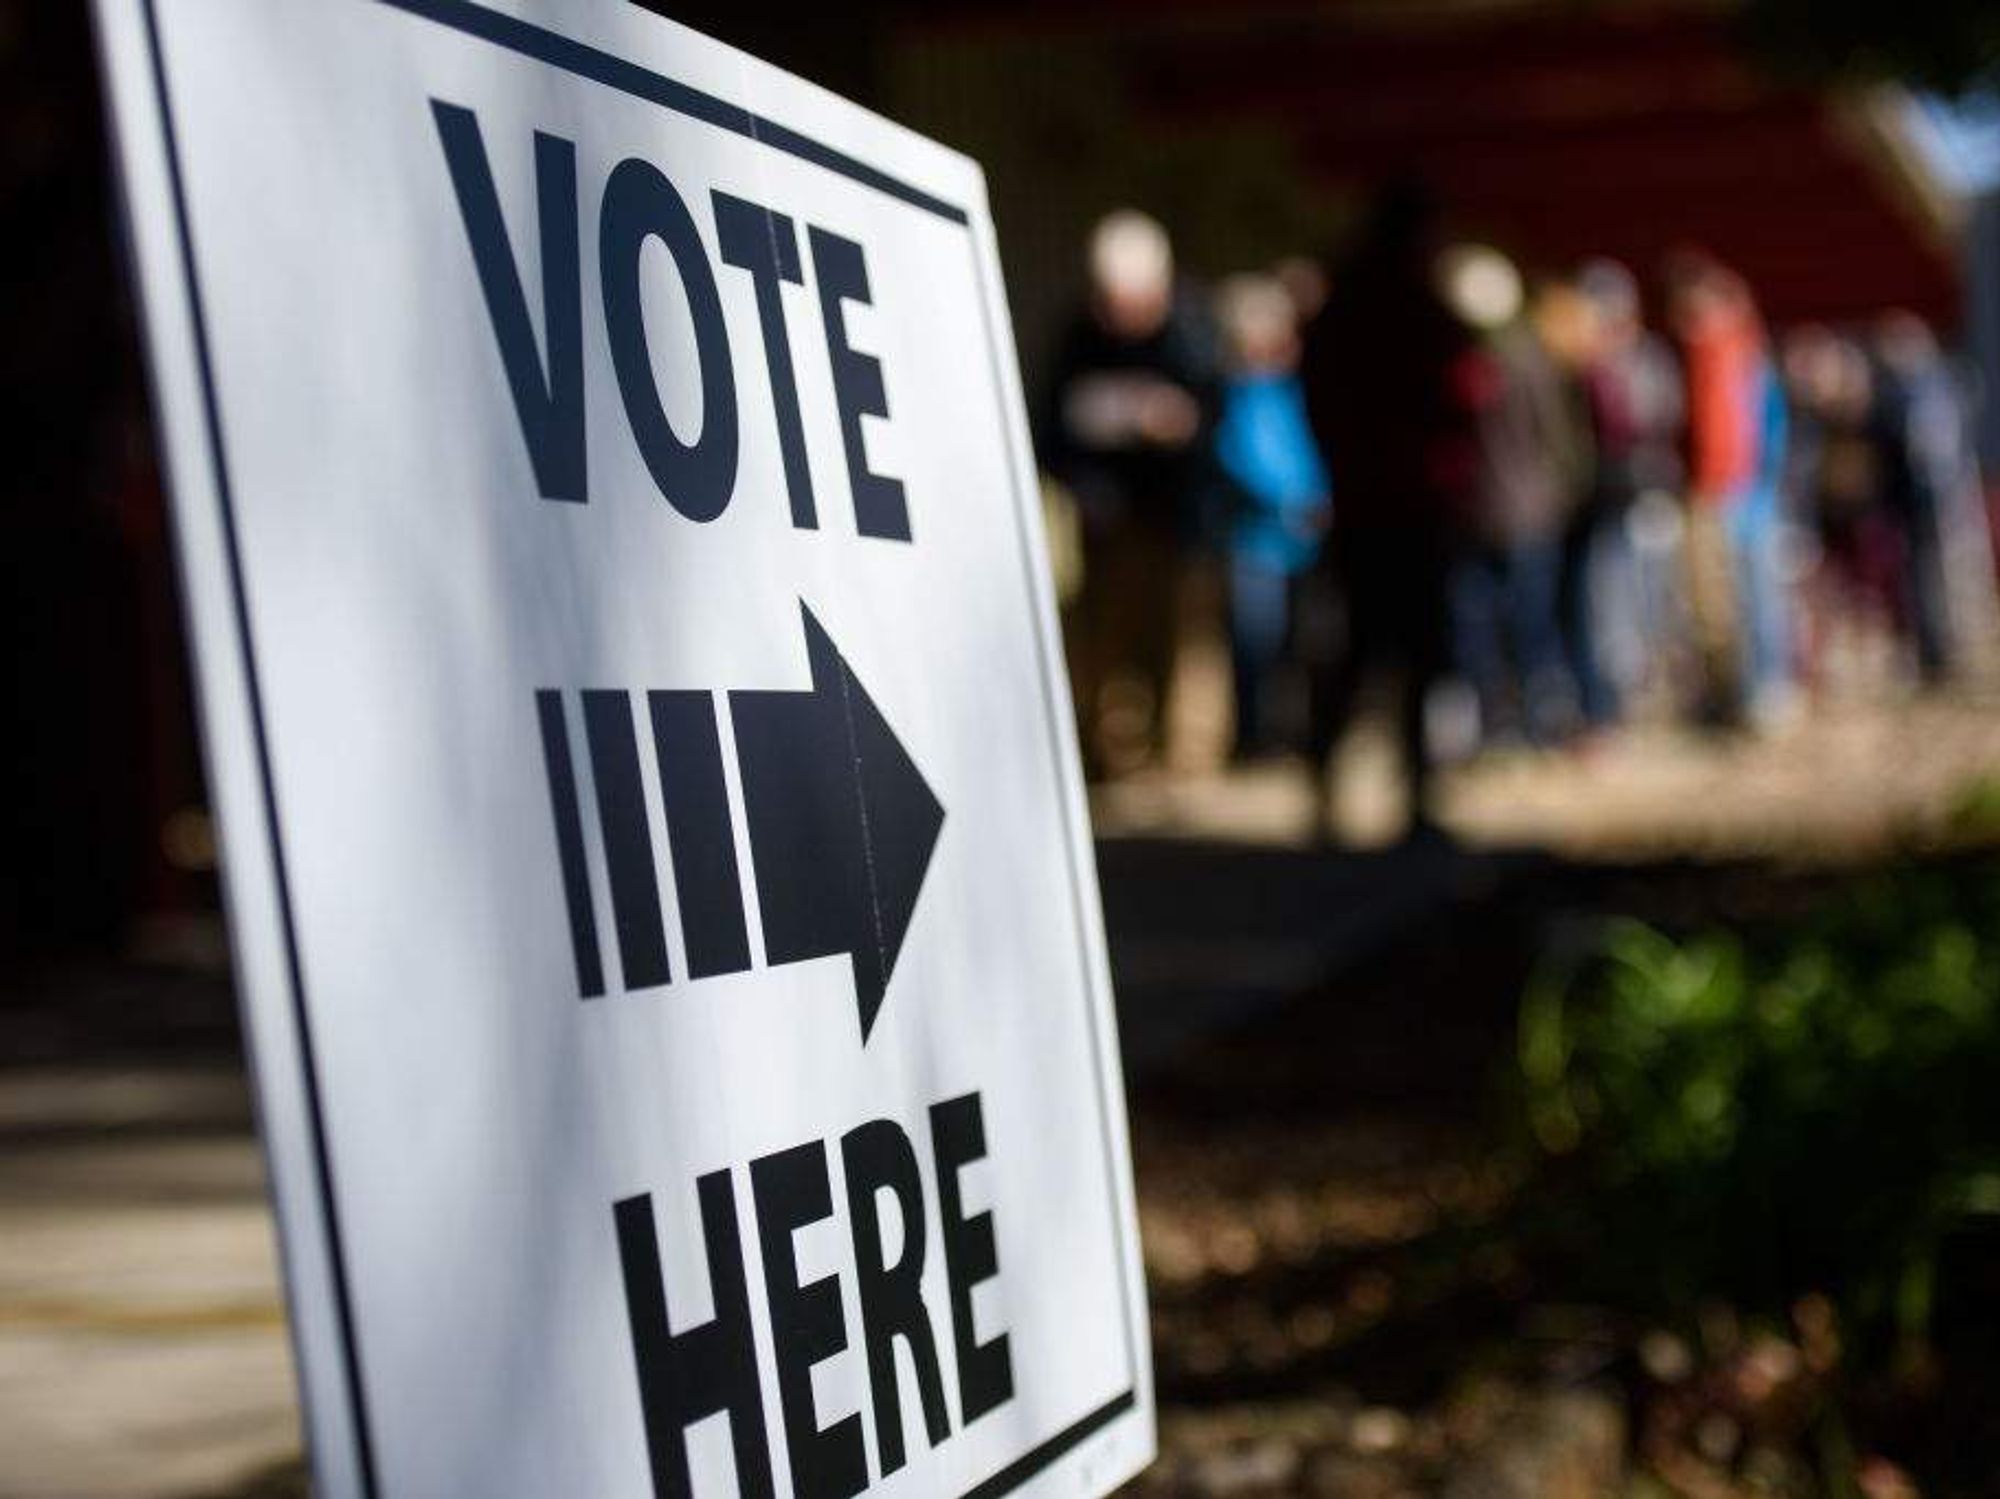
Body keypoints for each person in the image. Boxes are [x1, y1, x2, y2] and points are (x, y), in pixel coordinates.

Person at [1297, 182, 1477, 836]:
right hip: (1398, 510)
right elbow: (1462, 402)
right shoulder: (1417, 314)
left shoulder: (1346, 310)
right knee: (1394, 656)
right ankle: (1400, 796)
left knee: (1367, 656)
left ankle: (1345, 792)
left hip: (1371, 507)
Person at [1041, 210, 1222, 774]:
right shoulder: (1078, 338)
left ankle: (1180, 756)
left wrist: (1178, 424)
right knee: (1100, 641)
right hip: (1103, 520)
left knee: (1179, 638)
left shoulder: (1194, 332)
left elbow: (1219, 419)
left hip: (1175, 515)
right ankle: (1100, 752)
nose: (1123, 318)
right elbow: (1049, 427)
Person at [1438, 247, 1587, 750]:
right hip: (1508, 513)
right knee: (1511, 625)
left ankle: (1523, 722)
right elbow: (1558, 440)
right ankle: (1517, 723)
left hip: (1504, 512)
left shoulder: (1506, 360)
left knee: (1512, 624)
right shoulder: (1520, 358)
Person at [1666, 253, 1794, 728]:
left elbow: (1752, 429)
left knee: (1748, 595)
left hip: (1733, 489)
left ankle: (1761, 688)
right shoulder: (1716, 353)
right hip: (1718, 485)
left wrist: (1748, 485)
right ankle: (1738, 691)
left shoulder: (1731, 353)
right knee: (1717, 602)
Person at [1211, 274, 1330, 759]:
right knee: (1256, 642)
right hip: (1257, 538)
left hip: (1305, 538)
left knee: (1299, 646)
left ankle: (1292, 732)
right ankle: (1253, 737)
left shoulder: (1297, 388)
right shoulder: (1235, 392)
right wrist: (1292, 502)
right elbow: (1242, 457)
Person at [1570, 259, 1684, 728]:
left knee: (1651, 590)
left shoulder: (1647, 359)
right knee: (1608, 595)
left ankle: (1654, 685)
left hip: (1648, 488)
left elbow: (1662, 412)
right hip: (1604, 495)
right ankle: (1618, 691)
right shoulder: (1584, 364)